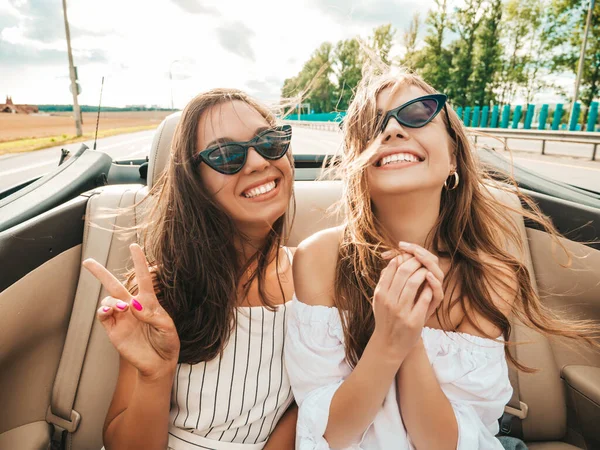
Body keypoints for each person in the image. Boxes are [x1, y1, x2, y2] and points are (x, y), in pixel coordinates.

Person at [285, 70, 599, 450]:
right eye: (373, 123)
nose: (394, 129)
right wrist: (386, 341)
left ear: (453, 156)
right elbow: (330, 434)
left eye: (417, 113)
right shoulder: (318, 258)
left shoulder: (489, 276)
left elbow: (442, 443)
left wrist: (409, 338)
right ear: (357, 167)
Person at [83, 88, 298, 450]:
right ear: (194, 182)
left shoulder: (315, 276)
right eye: (226, 155)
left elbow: (310, 398)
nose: (259, 162)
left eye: (270, 141)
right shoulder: (160, 291)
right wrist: (156, 374)